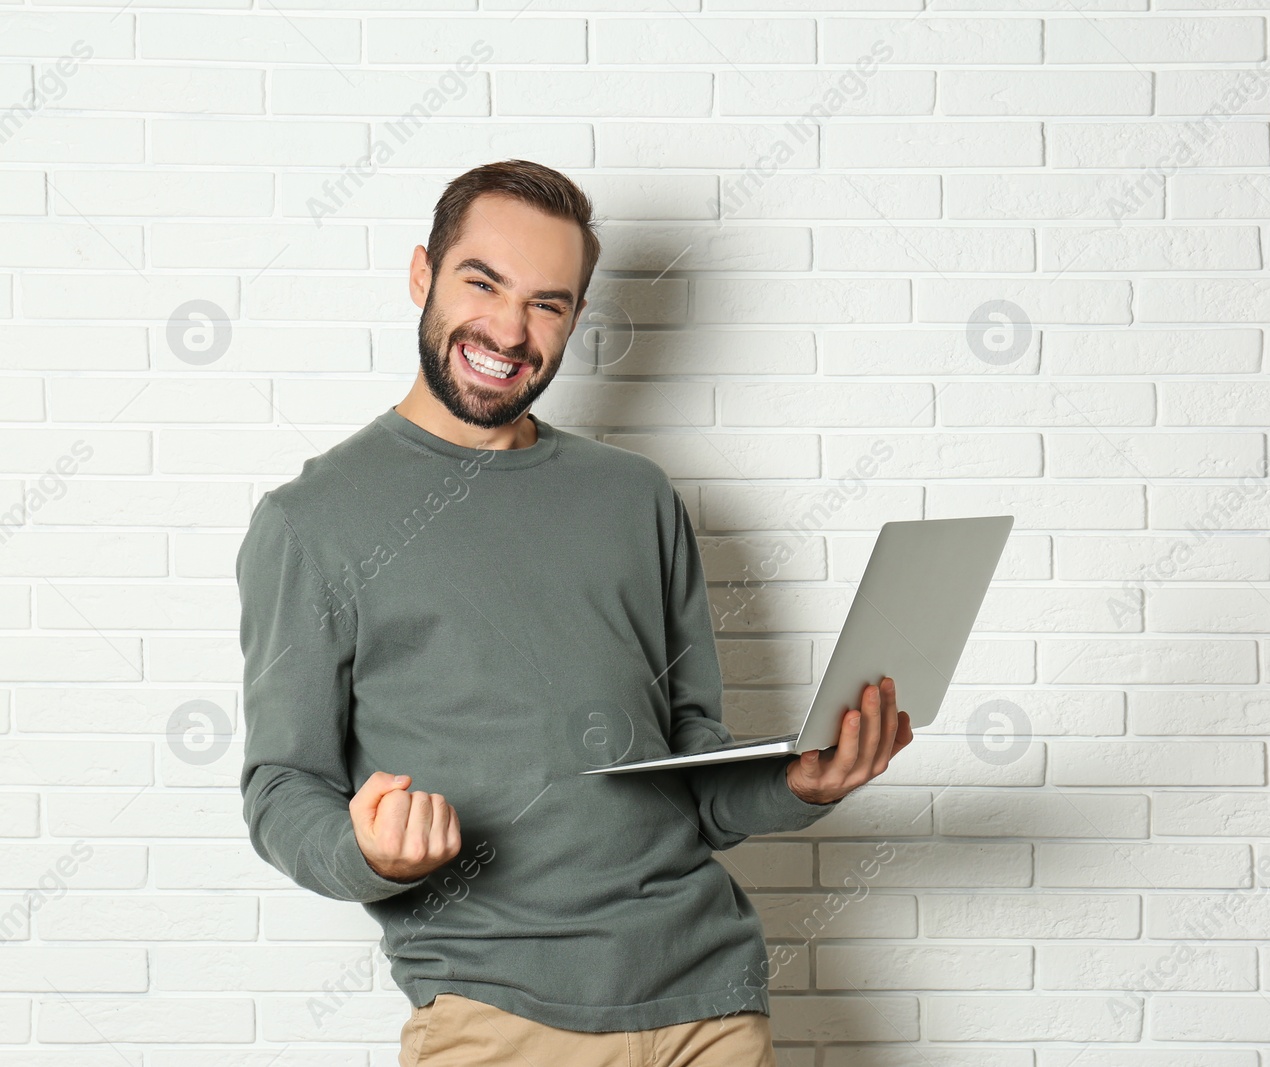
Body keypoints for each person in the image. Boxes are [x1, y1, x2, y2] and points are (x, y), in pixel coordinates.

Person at [234, 159, 913, 1066]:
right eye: (484, 282)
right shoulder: (312, 521)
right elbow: (282, 785)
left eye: (549, 304)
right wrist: (369, 852)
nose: (511, 330)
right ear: (420, 275)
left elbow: (689, 769)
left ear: (576, 320)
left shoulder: (636, 499)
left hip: (709, 1001)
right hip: (497, 1014)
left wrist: (799, 784)